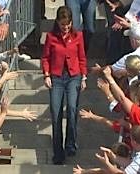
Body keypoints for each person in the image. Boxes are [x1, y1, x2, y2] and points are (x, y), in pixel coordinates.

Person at [41, 6, 87, 165]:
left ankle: (71, 144)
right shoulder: (51, 36)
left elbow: (82, 57)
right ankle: (58, 151)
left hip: (74, 76)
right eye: (62, 25)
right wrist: (46, 75)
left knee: (73, 109)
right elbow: (45, 57)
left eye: (68, 25)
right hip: (56, 77)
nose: (65, 28)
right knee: (56, 112)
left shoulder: (78, 35)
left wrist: (84, 77)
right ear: (58, 23)